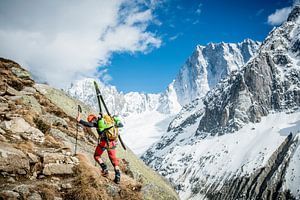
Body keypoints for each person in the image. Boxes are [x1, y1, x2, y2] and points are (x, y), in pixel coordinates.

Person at [77, 113, 123, 184]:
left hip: (103, 143)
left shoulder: (97, 123)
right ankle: (118, 177)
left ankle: (104, 169)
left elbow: (89, 125)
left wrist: (79, 120)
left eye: (90, 121)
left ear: (92, 120)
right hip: (112, 143)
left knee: (97, 156)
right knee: (114, 161)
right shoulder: (109, 121)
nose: (91, 122)